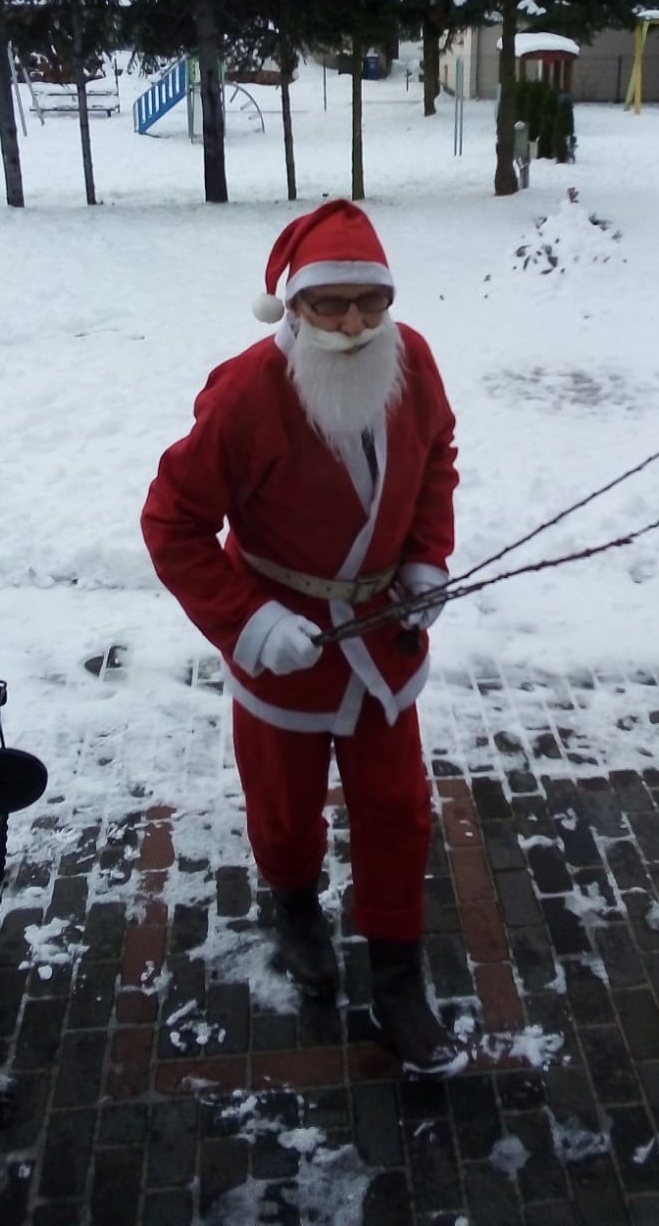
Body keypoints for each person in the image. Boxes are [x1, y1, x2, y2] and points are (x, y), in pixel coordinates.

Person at [140, 199, 464, 1075]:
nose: (355, 324)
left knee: (397, 808)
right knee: (284, 809)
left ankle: (397, 978)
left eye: (371, 302)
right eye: (332, 305)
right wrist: (248, 622)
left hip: (381, 640)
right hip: (284, 645)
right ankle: (293, 907)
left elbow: (436, 456)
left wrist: (425, 560)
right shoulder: (247, 393)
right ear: (294, 305)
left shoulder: (412, 360)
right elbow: (172, 522)